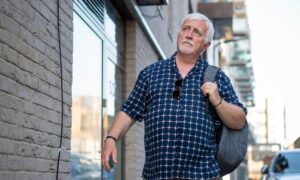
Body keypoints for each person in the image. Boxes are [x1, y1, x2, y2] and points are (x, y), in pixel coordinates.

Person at [102, 12, 247, 180]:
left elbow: (239, 121)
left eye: (197, 32)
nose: (189, 34)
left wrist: (218, 101)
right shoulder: (151, 74)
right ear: (179, 34)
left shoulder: (217, 77)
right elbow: (129, 110)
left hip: (202, 175)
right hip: (157, 175)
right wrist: (111, 138)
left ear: (206, 45)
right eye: (186, 29)